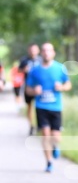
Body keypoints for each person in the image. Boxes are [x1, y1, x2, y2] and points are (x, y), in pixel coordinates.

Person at [26, 42, 72, 172]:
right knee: (45, 135)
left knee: (56, 137)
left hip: (56, 107)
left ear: (53, 53)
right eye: (44, 50)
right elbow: (28, 90)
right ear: (41, 53)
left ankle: (55, 146)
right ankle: (49, 162)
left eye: (49, 50)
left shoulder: (60, 68)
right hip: (41, 106)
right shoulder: (35, 70)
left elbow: (68, 85)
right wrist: (34, 91)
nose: (46, 53)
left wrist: (61, 87)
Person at [19, 43, 41, 135]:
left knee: (40, 107)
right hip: (28, 86)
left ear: (38, 50)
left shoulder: (41, 60)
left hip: (39, 87)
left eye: (34, 50)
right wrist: (24, 70)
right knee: (29, 107)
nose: (33, 52)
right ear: (29, 51)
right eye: (31, 50)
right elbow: (19, 70)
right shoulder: (24, 60)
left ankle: (40, 125)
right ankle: (31, 126)